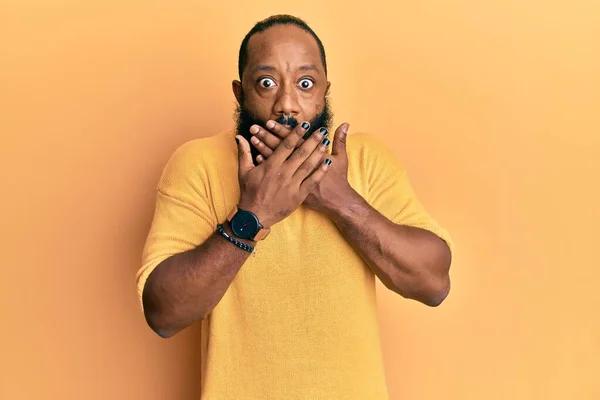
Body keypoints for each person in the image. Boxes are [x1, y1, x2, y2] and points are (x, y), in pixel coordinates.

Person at [136, 14, 454, 400]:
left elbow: (433, 284)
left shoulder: (367, 158)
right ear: (240, 94)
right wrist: (253, 216)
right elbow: (164, 315)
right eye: (266, 83)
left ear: (324, 92)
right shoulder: (198, 163)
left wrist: (341, 201)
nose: (287, 105)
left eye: (305, 84)